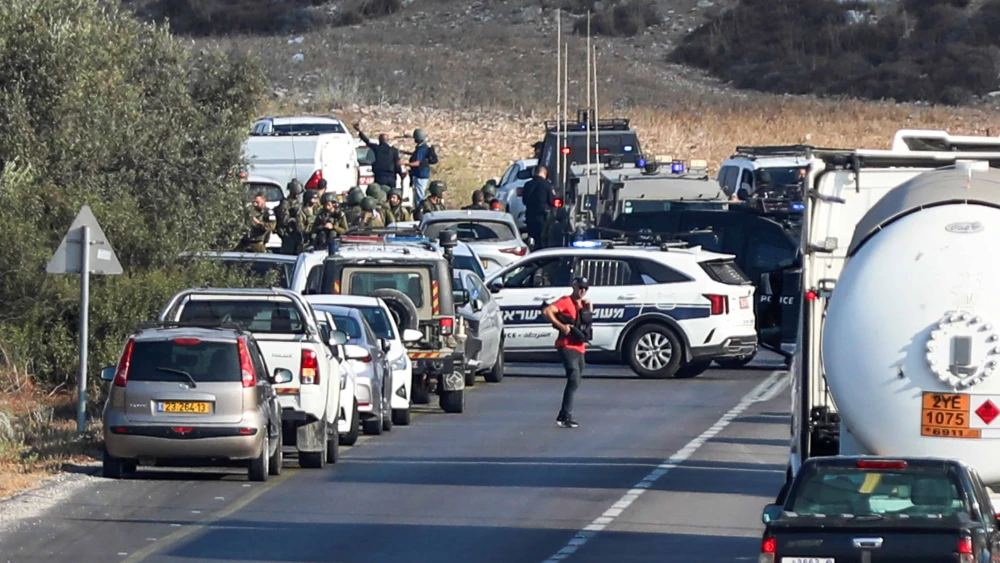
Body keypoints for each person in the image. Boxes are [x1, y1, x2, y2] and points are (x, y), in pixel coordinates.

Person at [542, 277, 593, 428]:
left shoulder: (584, 304)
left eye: (585, 288)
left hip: (580, 347)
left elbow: (586, 324)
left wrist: (589, 308)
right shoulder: (566, 301)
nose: (582, 290)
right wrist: (561, 326)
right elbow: (547, 311)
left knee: (576, 380)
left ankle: (563, 415)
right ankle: (566, 416)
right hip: (566, 346)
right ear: (574, 286)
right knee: (573, 377)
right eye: (580, 287)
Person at [354, 123, 405, 189]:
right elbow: (397, 164)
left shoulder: (377, 149)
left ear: (379, 140)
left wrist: (360, 131)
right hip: (391, 177)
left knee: (380, 195)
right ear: (387, 140)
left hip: (380, 177)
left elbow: (367, 141)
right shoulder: (394, 151)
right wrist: (401, 174)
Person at [521, 165, 554, 250]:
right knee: (542, 239)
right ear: (544, 173)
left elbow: (524, 201)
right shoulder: (546, 185)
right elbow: (551, 200)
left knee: (533, 237)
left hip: (530, 216)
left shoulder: (528, 184)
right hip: (542, 216)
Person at [277, 179, 304, 254]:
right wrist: (294, 219)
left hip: (298, 234)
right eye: (297, 194)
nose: (298, 196)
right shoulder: (285, 204)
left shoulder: (298, 203)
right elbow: (284, 220)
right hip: (288, 234)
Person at [406, 128, 432, 205]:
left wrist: (405, 164)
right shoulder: (423, 147)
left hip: (420, 175)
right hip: (422, 174)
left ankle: (420, 212)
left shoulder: (421, 148)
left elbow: (417, 162)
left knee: (420, 196)